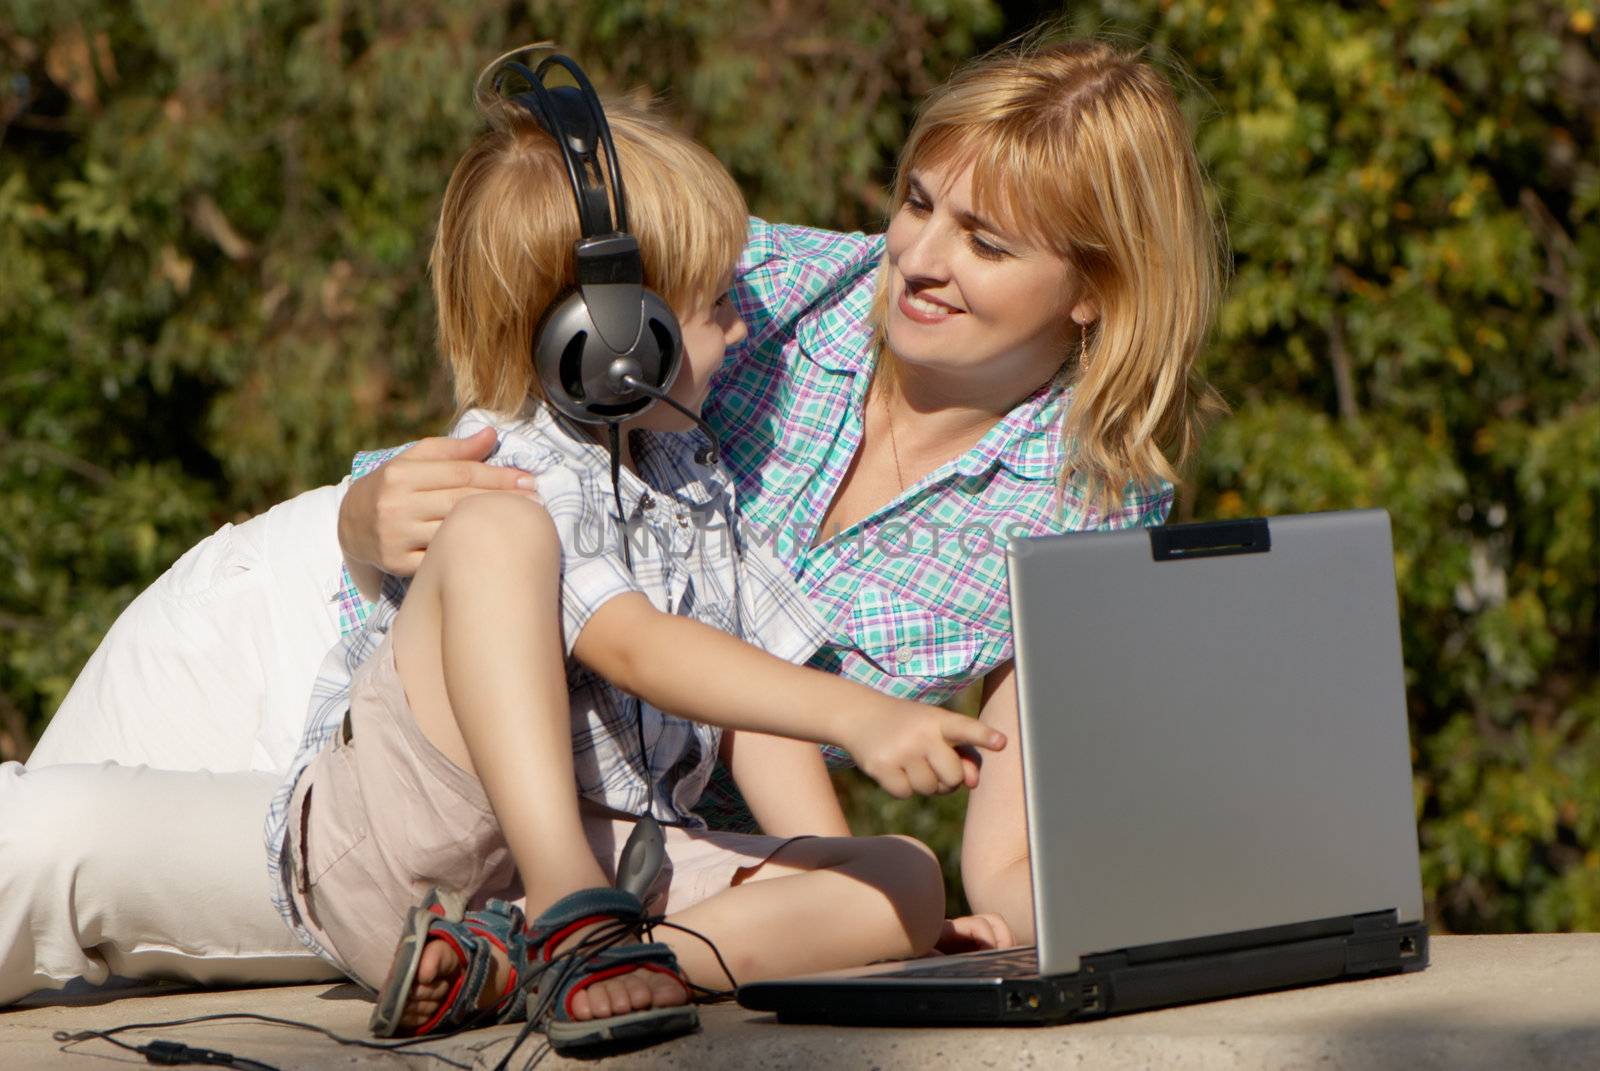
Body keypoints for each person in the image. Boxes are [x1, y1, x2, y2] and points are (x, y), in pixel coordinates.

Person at [1, 35, 1222, 1005]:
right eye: (918, 203)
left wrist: (961, 910)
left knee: (890, 877)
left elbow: (913, 763)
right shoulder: (761, 276)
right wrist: (368, 507)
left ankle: (573, 954)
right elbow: (501, 456)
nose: (916, 257)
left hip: (589, 824)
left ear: (1097, 293)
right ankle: (563, 918)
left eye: (986, 239)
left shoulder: (1090, 505)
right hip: (322, 651)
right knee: (38, 872)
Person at [279, 74, 1001, 1048]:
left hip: (595, 864)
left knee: (902, 878)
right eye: (713, 306)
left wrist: (831, 870)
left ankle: (550, 959)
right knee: (498, 537)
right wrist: (860, 715)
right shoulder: (516, 459)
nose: (742, 329)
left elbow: (758, 708)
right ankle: (564, 908)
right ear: (612, 343)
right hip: (404, 836)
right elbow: (635, 646)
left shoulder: (687, 471)